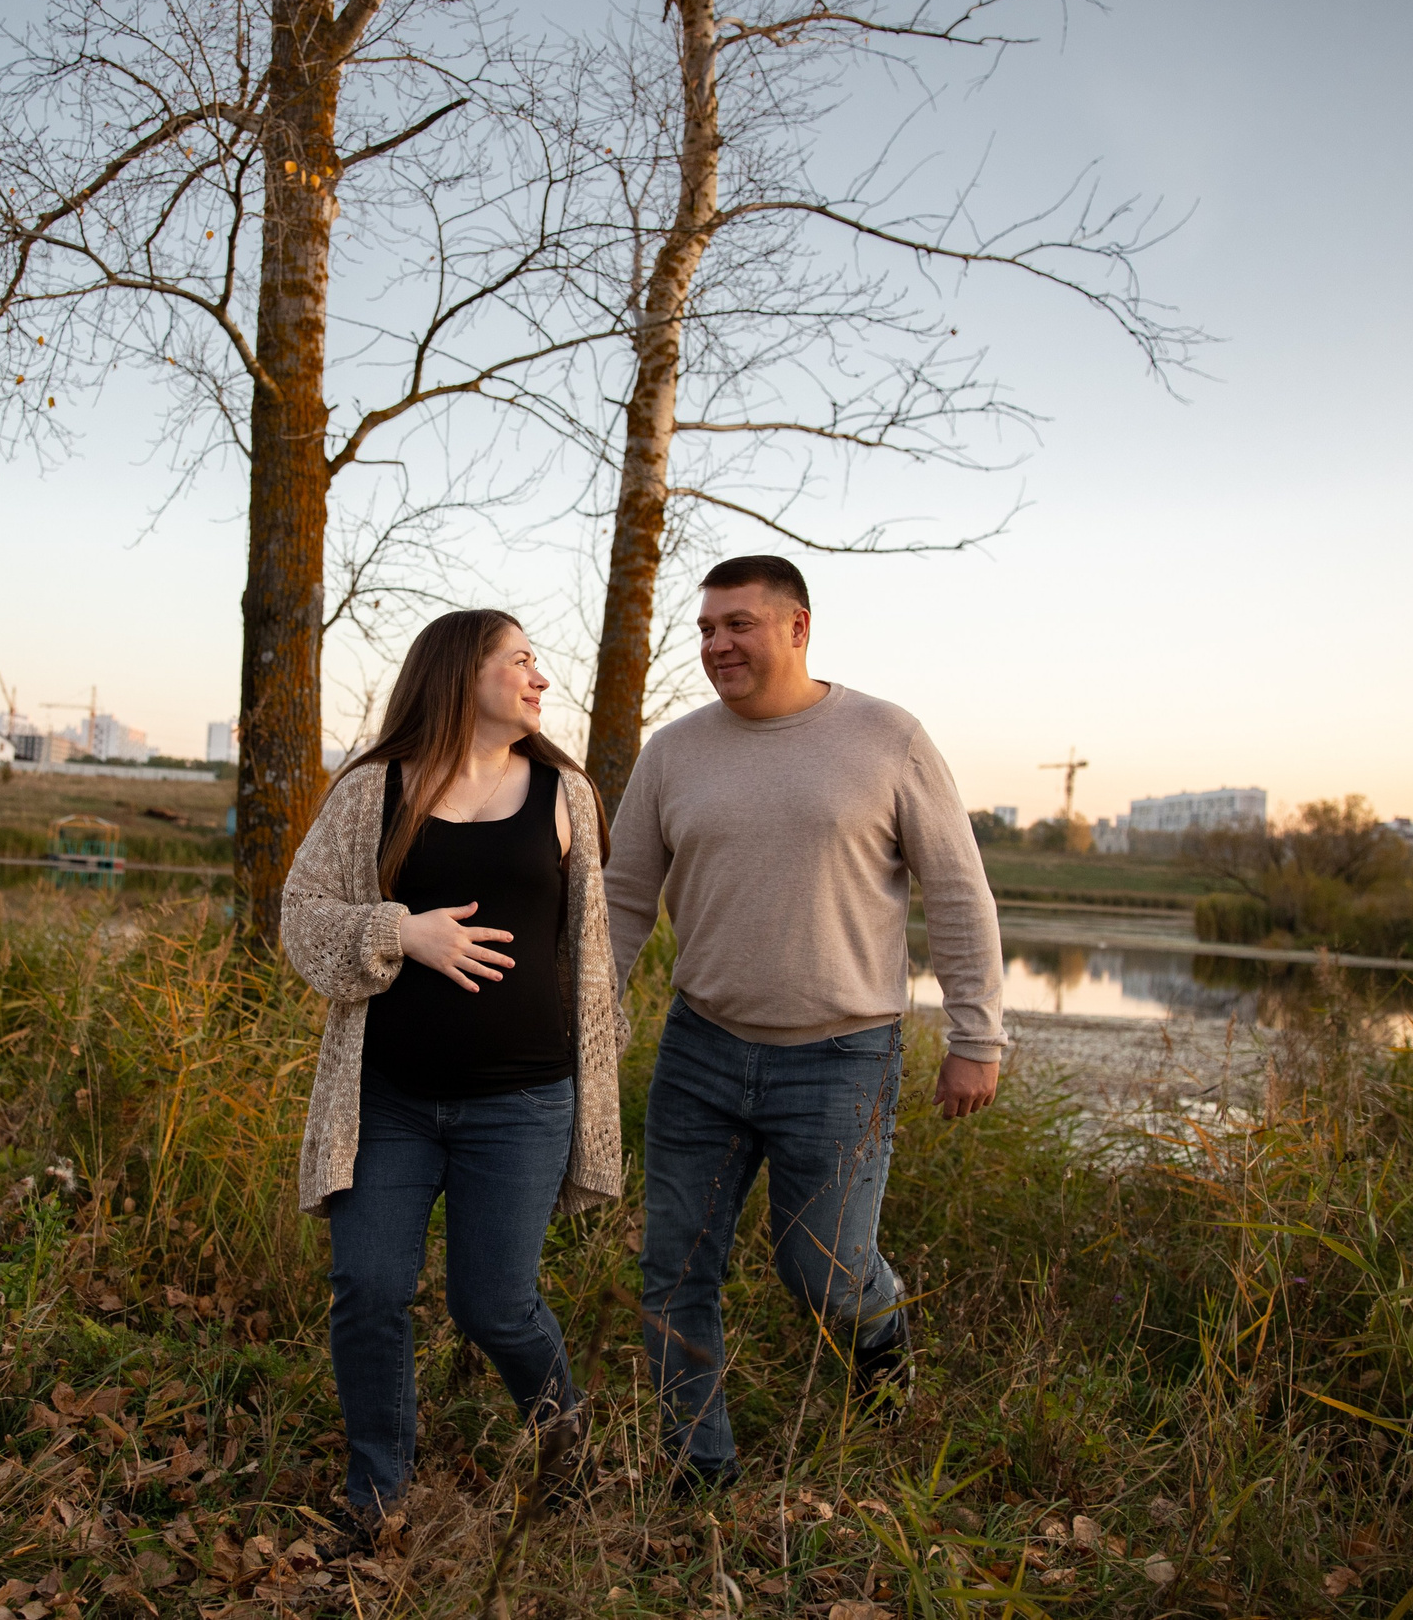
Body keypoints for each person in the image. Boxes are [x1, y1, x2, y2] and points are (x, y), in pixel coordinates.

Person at [603, 554, 1006, 1490]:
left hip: (842, 1057)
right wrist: (594, 1013)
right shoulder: (673, 752)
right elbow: (623, 898)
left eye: (737, 624)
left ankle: (883, 1341)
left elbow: (957, 891)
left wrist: (976, 1036)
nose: (716, 644)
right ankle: (699, 1468)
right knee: (676, 1269)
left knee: (824, 1267)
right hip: (700, 1047)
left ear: (797, 626)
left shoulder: (886, 737)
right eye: (705, 628)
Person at [281, 608, 625, 1535]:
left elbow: (589, 952)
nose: (539, 677)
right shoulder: (373, 789)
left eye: (538, 661)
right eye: (519, 659)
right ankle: (378, 1496)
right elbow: (302, 916)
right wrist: (402, 930)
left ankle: (566, 1441)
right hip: (388, 1099)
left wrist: (603, 1073)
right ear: (458, 674)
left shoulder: (565, 792)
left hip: (523, 1100)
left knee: (495, 1303)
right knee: (369, 1290)